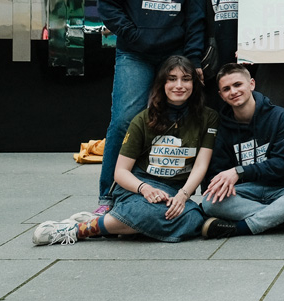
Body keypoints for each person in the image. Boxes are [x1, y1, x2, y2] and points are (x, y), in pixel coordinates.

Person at [32, 56, 218, 246]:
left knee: (194, 219)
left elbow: (200, 165)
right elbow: (120, 172)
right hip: (137, 189)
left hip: (174, 193)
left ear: (194, 84)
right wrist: (144, 189)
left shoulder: (208, 118)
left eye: (186, 79)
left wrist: (183, 195)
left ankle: (114, 223)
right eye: (172, 79)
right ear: (162, 83)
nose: (179, 85)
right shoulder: (143, 119)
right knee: (144, 212)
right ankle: (77, 230)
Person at [95, 0, 196, 212]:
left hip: (172, 59)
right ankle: (107, 195)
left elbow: (193, 16)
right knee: (124, 120)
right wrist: (132, 33)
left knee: (172, 122)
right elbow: (106, 4)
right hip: (135, 56)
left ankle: (166, 188)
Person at [200, 64, 284, 238]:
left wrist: (239, 171)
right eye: (226, 89)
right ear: (221, 95)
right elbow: (219, 173)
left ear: (252, 84)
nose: (233, 91)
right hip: (245, 192)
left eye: (238, 85)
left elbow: (280, 164)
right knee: (209, 201)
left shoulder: (280, 117)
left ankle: (240, 228)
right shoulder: (221, 127)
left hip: (281, 188)